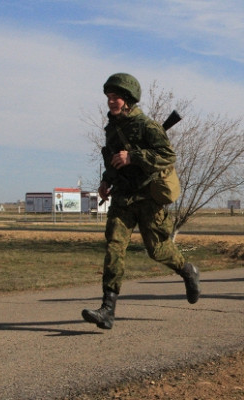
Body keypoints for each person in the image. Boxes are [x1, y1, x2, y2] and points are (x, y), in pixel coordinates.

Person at [82, 73, 200, 330]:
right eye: (109, 98)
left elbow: (167, 156)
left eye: (117, 97)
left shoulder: (146, 125)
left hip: (148, 197)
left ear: (128, 99)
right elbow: (113, 161)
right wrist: (106, 181)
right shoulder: (111, 128)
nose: (112, 102)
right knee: (114, 247)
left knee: (157, 250)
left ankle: (187, 270)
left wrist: (133, 157)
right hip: (123, 197)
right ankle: (107, 310)